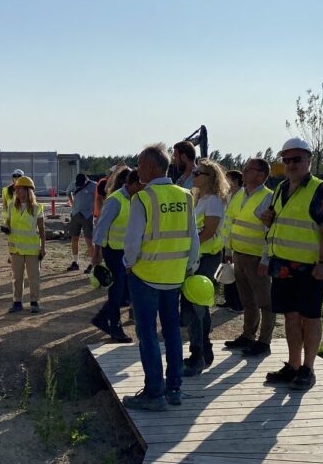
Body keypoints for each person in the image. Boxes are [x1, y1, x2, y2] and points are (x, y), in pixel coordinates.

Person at [122, 144, 200, 411]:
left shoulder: (142, 198)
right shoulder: (186, 196)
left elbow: (132, 242)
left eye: (140, 163)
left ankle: (154, 392)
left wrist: (128, 265)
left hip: (145, 275)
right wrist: (190, 265)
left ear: (153, 167)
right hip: (174, 276)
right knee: (172, 332)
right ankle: (174, 388)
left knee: (147, 335)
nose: (137, 168)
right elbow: (193, 236)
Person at [261, 137, 323, 391]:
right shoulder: (282, 188)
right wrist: (269, 220)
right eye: (286, 160)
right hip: (282, 266)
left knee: (310, 318)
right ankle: (293, 365)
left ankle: (308, 368)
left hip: (309, 269)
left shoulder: (320, 190)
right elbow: (279, 222)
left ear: (308, 160)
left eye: (297, 159)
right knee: (290, 318)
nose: (291, 164)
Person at [223, 158, 276, 356]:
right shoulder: (239, 195)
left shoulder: (267, 197)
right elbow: (231, 222)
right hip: (239, 254)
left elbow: (270, 232)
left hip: (256, 258)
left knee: (265, 302)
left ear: (261, 175)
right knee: (247, 300)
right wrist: (229, 251)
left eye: (248, 169)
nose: (243, 172)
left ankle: (264, 342)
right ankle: (248, 336)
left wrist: (265, 259)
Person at [182, 159, 229, 375]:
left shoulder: (213, 201)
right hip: (197, 256)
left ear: (211, 178)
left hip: (206, 256)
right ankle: (201, 350)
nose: (195, 176)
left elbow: (209, 231)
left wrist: (190, 248)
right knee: (193, 303)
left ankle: (199, 353)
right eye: (194, 172)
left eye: (199, 173)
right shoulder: (198, 198)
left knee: (198, 304)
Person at [90, 166, 138, 343]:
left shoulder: (137, 198)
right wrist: (97, 253)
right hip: (114, 251)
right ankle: (115, 328)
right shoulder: (116, 200)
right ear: (132, 183)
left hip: (127, 252)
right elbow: (101, 228)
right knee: (117, 291)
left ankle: (103, 318)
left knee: (125, 293)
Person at [3, 175, 46, 313]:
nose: (18, 192)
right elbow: (8, 224)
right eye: (16, 190)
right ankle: (17, 302)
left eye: (20, 189)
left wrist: (43, 248)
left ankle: (34, 302)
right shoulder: (11, 206)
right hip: (16, 248)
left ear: (28, 191)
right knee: (17, 278)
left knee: (34, 277)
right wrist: (5, 228)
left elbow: (42, 229)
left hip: (32, 249)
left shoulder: (37, 208)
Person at [216, 169, 244, 311]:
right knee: (227, 271)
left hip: (236, 240)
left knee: (237, 275)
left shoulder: (242, 195)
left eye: (228, 180)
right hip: (226, 240)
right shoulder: (229, 196)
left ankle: (238, 303)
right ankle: (228, 299)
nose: (225, 182)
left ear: (236, 181)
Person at [66, 172, 96, 272]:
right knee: (74, 239)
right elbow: (68, 192)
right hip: (75, 215)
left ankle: (93, 263)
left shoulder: (94, 186)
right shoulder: (73, 184)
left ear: (86, 180)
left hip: (87, 216)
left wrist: (95, 211)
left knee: (89, 240)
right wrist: (72, 202)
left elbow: (99, 198)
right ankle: (75, 262)